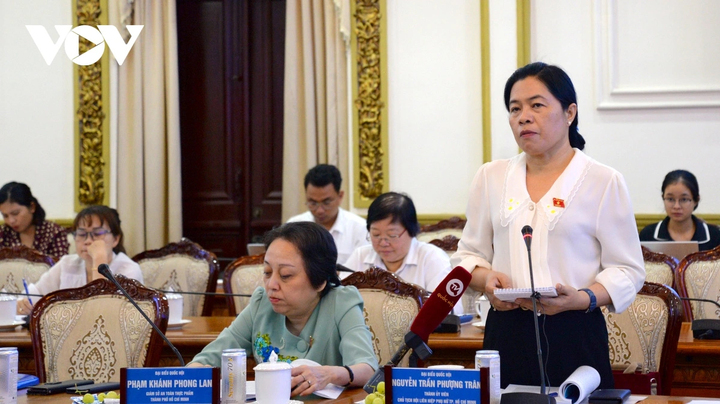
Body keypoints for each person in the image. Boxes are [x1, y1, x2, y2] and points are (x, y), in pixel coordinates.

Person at [451, 62, 645, 389]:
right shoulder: (491, 176)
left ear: (569, 112)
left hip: (574, 331)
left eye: (536, 105)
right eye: (515, 109)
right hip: (506, 330)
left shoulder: (603, 181)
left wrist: (582, 298)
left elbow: (628, 270)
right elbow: (467, 255)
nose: (523, 116)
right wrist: (486, 280)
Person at [188, 222, 377, 397]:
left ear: (319, 281)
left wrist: (329, 374)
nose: (272, 284)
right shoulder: (262, 303)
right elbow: (212, 357)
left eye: (285, 275)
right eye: (267, 272)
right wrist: (194, 371)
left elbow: (367, 369)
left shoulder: (341, 302)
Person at [343, 192, 463, 313]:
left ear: (411, 230)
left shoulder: (432, 258)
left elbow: (449, 309)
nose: (383, 243)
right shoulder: (360, 256)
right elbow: (339, 298)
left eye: (392, 235)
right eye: (376, 235)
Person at [17, 205, 143, 314]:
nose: (88, 241)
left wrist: (99, 259)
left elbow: (101, 311)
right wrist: (23, 304)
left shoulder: (128, 269)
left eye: (98, 233)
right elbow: (33, 295)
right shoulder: (67, 264)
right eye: (81, 234)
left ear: (116, 239)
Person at [287, 164, 368, 263]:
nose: (319, 210)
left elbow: (364, 271)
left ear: (340, 196)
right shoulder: (294, 226)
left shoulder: (360, 228)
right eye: (313, 203)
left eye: (326, 202)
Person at [639, 170, 720, 251]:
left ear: (696, 200)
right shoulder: (648, 234)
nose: (676, 206)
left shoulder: (715, 236)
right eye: (670, 199)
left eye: (684, 199)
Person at [0, 182, 69, 257]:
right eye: (5, 216)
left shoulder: (54, 233)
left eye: (15, 213)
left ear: (32, 207)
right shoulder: (3, 233)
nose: (11, 221)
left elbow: (61, 266)